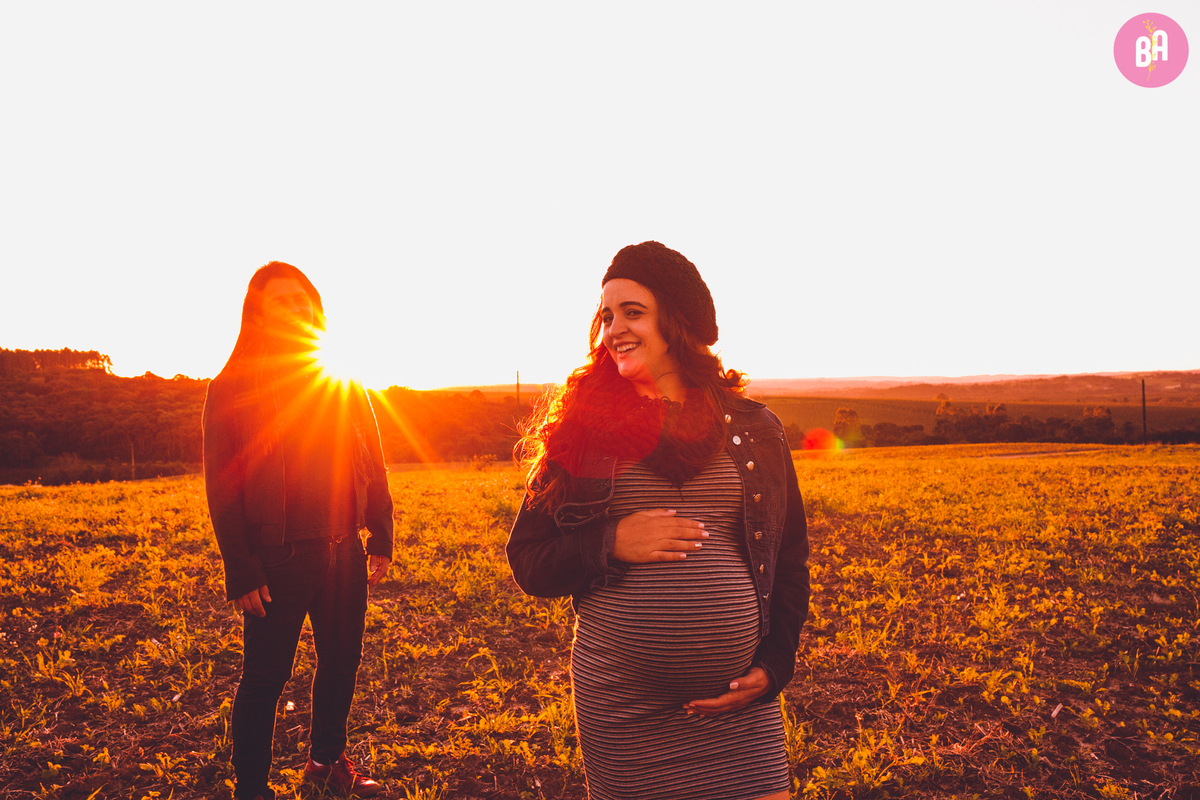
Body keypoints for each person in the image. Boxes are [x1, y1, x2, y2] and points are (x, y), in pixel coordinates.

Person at [506, 241, 810, 800]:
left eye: (632, 312)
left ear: (677, 321)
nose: (613, 328)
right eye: (606, 315)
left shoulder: (753, 427)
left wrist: (776, 665)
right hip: (625, 706)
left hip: (741, 706)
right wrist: (610, 540)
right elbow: (528, 562)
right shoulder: (582, 430)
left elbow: (789, 559)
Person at [203, 261, 393, 800]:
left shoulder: (343, 380)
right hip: (278, 558)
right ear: (257, 317)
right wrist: (240, 569)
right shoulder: (232, 388)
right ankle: (253, 788)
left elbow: (372, 462)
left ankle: (326, 762)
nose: (295, 309)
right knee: (266, 675)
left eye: (302, 299)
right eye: (279, 302)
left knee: (341, 663)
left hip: (345, 551)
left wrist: (379, 535)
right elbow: (222, 489)